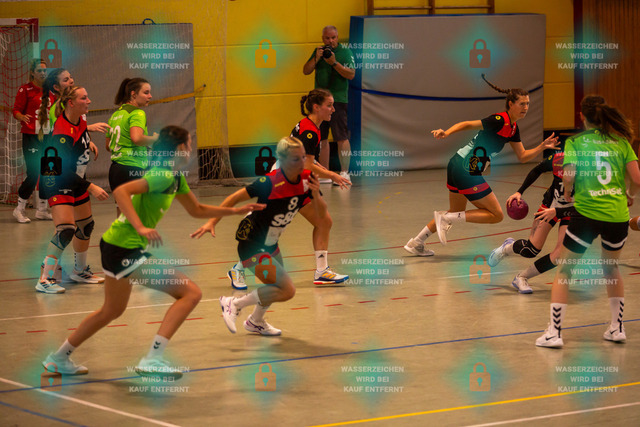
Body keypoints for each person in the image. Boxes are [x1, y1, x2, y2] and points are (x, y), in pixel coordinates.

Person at [42, 126, 265, 377]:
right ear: (179, 148)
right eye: (189, 144)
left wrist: (234, 211)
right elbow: (121, 191)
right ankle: (153, 359)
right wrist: (140, 226)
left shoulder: (175, 178)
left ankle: (58, 358)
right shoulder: (162, 175)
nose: (190, 149)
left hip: (115, 245)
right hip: (123, 249)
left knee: (111, 311)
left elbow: (197, 210)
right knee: (190, 293)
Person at [403, 75, 559, 255]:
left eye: (528, 104)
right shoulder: (499, 120)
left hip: (457, 164)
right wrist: (446, 132)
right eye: (522, 104)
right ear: (511, 104)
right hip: (466, 168)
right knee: (496, 215)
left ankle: (416, 243)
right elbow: (467, 124)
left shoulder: (513, 128)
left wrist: (542, 146)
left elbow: (523, 156)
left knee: (456, 211)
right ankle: (444, 218)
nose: (526, 107)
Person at [192, 136, 326, 336]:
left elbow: (322, 216)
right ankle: (234, 304)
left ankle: (255, 321)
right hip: (251, 244)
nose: (302, 162)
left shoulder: (307, 179)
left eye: (303, 157)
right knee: (287, 290)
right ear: (282, 160)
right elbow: (233, 198)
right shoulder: (269, 182)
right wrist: (212, 221)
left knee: (275, 286)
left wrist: (315, 194)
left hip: (271, 243)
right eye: (295, 159)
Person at [536, 95, 638, 348]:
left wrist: (567, 192)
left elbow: (569, 174)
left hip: (587, 214)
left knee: (565, 270)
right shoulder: (621, 142)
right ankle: (617, 328)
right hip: (617, 216)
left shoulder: (575, 142)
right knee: (611, 268)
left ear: (582, 116)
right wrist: (630, 195)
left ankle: (554, 333)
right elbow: (637, 179)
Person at [223, 89, 351, 290]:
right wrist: (333, 175)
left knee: (324, 221)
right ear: (316, 107)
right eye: (329, 105)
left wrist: (325, 171)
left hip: (300, 181)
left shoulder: (312, 127)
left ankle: (322, 271)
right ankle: (238, 269)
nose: (333, 109)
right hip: (283, 182)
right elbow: (307, 164)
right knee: (268, 232)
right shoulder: (309, 131)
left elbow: (308, 161)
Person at [37, 86, 109, 293]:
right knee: (66, 230)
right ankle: (45, 279)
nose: (89, 101)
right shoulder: (62, 132)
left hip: (75, 179)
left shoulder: (80, 120)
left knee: (86, 225)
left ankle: (80, 270)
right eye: (84, 98)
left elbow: (79, 134)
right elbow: (60, 169)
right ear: (71, 103)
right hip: (57, 180)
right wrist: (91, 187)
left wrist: (88, 143)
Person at [486, 144, 573, 294]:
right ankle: (507, 248)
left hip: (571, 212)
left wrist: (558, 212)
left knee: (560, 255)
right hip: (550, 207)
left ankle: (521, 277)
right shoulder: (557, 160)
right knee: (530, 250)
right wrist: (519, 192)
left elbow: (587, 208)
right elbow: (537, 170)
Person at [302, 25, 355, 185]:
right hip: (319, 101)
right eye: (327, 38)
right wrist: (316, 58)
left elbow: (351, 74)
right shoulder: (318, 51)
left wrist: (334, 63)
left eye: (333, 38)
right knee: (322, 138)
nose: (330, 41)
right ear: (322, 38)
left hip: (337, 100)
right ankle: (324, 173)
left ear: (337, 38)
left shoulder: (345, 52)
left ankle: (344, 173)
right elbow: (306, 70)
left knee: (341, 136)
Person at [106, 77, 159, 215]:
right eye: (146, 92)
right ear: (133, 94)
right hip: (133, 168)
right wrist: (155, 140)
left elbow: (108, 146)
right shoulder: (137, 113)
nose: (150, 96)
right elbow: (137, 138)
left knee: (123, 217)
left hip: (116, 170)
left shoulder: (115, 115)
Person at [12, 58, 54, 223]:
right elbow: (16, 110)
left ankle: (42, 210)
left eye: (45, 70)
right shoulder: (26, 89)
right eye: (39, 71)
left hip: (48, 136)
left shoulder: (51, 90)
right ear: (32, 73)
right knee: (34, 172)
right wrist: (21, 116)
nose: (43, 73)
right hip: (31, 136)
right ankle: (19, 209)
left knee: (47, 171)